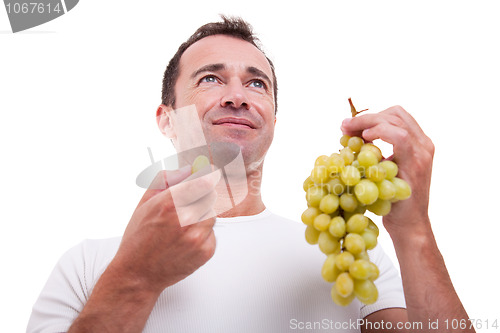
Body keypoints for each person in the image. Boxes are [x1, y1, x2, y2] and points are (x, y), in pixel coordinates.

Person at [27, 16, 474, 333]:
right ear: (165, 119)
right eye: (210, 79)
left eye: (257, 83)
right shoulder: (88, 264)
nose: (238, 96)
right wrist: (135, 279)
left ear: (274, 119)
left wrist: (413, 230)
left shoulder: (352, 256)